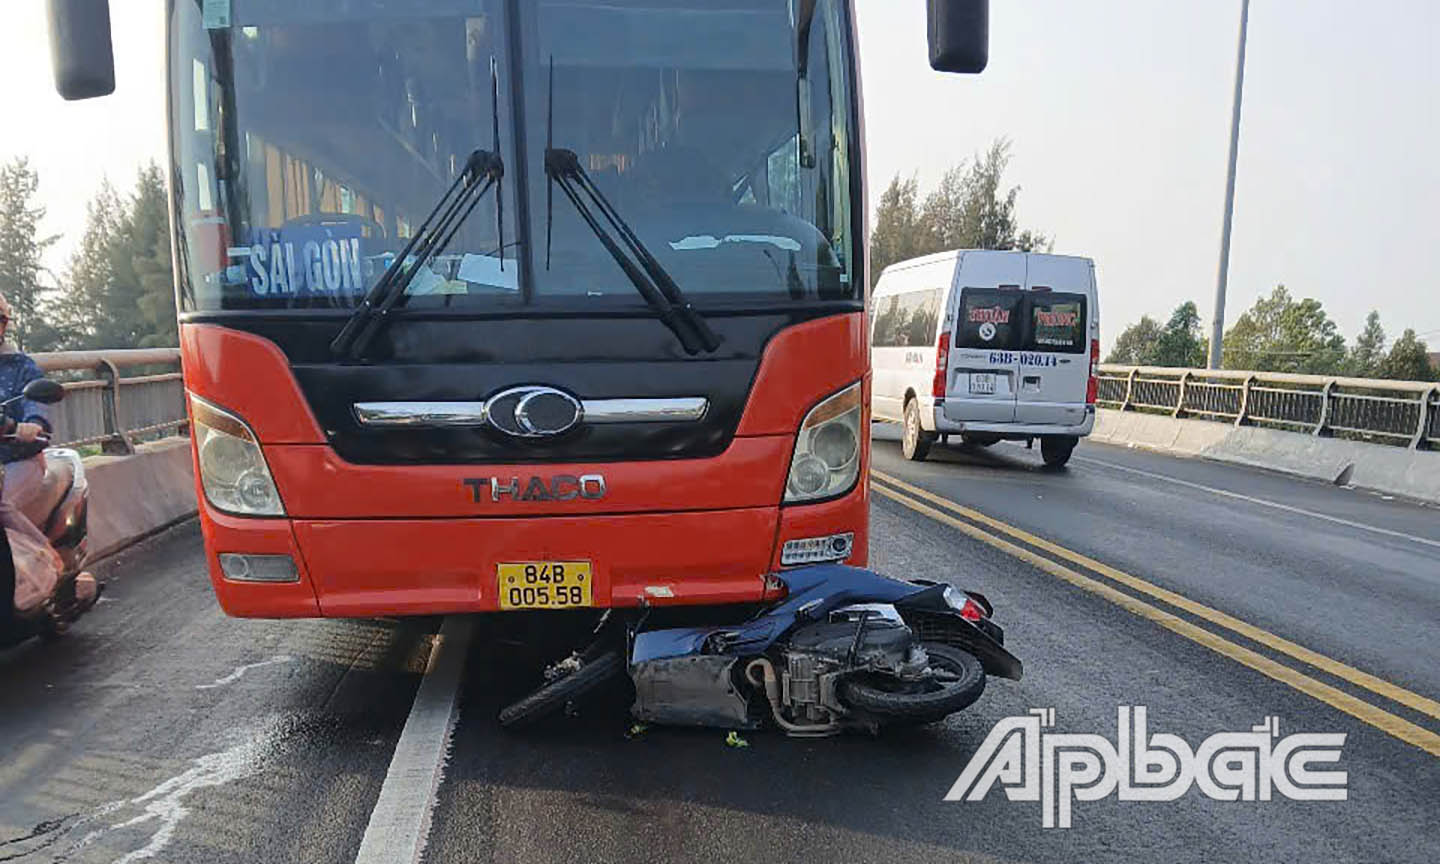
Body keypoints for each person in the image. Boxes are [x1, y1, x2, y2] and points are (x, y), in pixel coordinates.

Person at [0, 293, 95, 620]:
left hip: (16, 460)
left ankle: (47, 565)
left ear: (4, 325)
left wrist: (29, 425)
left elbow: (38, 412)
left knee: (1, 506)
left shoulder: (20, 367)